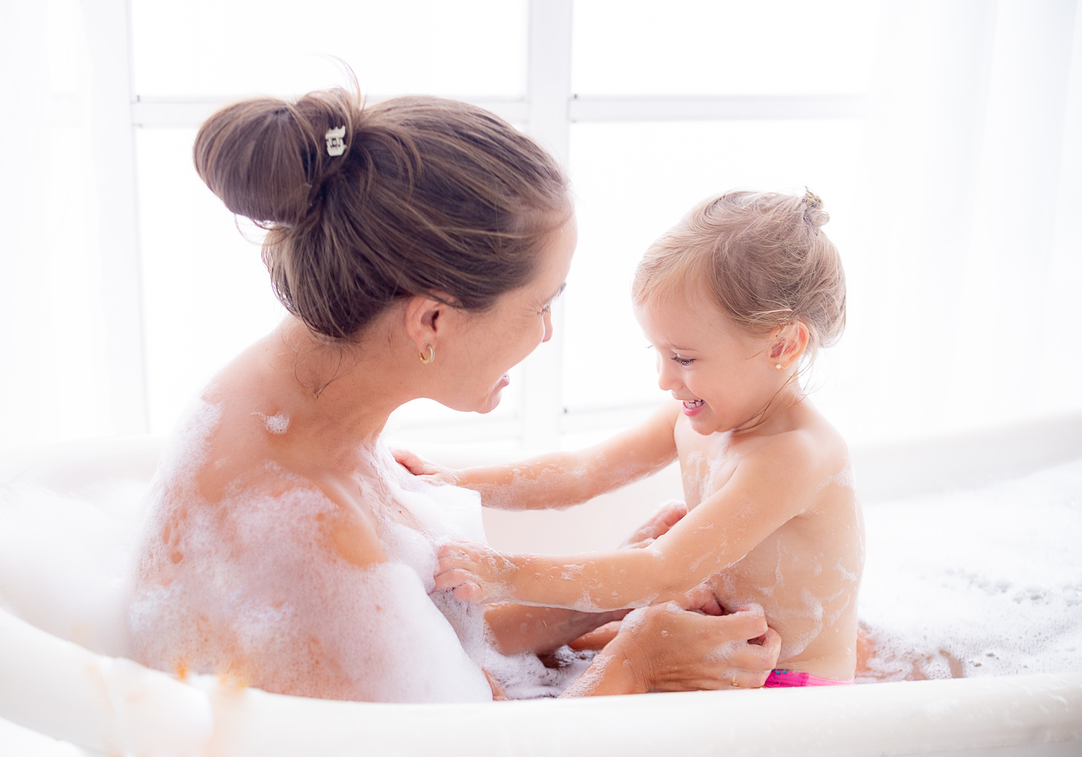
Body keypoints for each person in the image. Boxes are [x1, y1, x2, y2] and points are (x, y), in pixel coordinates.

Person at [128, 85, 780, 703]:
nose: (548, 332)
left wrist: (614, 585)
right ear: (432, 321)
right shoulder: (302, 551)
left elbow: (438, 637)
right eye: (540, 304)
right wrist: (640, 661)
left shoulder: (304, 398)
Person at [426, 190, 862, 688]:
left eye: (684, 358)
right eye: (657, 352)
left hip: (790, 691)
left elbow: (663, 570)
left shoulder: (794, 455)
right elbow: (582, 473)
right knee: (512, 665)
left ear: (783, 345)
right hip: (720, 651)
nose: (663, 379)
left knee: (536, 685)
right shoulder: (699, 415)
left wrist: (504, 572)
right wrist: (452, 482)